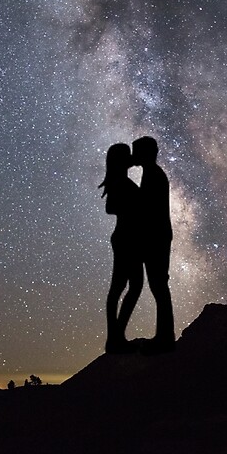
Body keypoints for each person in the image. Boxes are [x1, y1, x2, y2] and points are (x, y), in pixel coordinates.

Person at [98, 142, 144, 353]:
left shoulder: (123, 181)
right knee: (121, 287)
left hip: (129, 237)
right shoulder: (119, 182)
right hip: (125, 237)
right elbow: (110, 208)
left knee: (131, 286)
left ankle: (117, 335)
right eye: (127, 155)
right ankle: (114, 337)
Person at [131, 135, 175, 349]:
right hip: (156, 236)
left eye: (136, 151)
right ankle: (164, 335)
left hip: (156, 238)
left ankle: (165, 337)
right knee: (158, 286)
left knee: (158, 286)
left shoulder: (153, 175)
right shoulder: (151, 174)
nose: (132, 156)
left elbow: (146, 210)